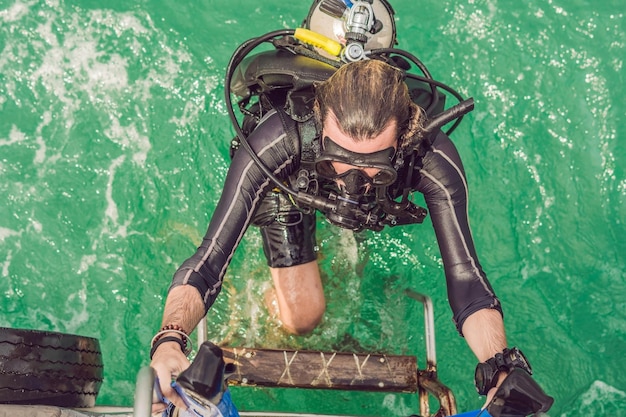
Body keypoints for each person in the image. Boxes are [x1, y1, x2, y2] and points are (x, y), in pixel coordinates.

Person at [150, 3, 552, 415]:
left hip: (348, 165)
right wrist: (169, 340)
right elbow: (209, 258)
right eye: (337, 160)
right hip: (292, 187)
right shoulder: (281, 138)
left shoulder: (430, 157)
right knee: (303, 319)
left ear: (405, 136)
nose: (353, 183)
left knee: (355, 264)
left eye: (373, 168)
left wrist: (501, 367)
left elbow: (467, 278)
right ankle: (249, 290)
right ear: (319, 121)